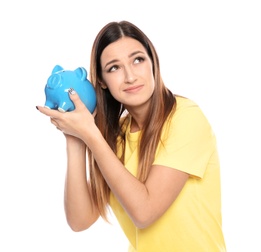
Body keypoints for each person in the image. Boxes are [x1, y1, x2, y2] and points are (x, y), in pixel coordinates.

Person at [36, 20, 226, 251]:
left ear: (153, 63)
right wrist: (75, 138)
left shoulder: (185, 118)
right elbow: (80, 221)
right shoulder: (114, 137)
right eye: (114, 68)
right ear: (102, 83)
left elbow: (145, 212)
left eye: (138, 60)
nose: (130, 76)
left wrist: (90, 134)